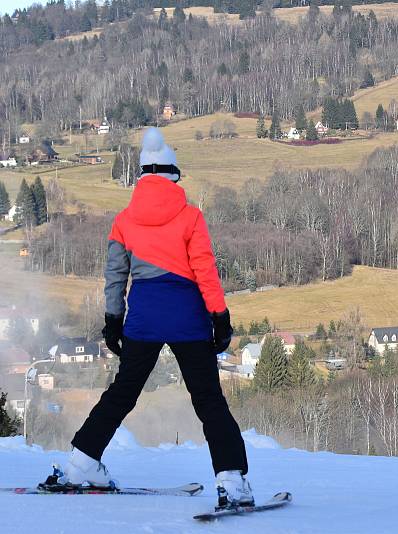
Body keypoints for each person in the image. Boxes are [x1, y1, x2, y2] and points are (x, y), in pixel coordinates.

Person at [59, 128, 253, 507]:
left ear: (142, 175)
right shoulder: (191, 216)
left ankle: (81, 463)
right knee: (209, 400)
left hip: (142, 321)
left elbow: (115, 276)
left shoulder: (124, 221)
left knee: (122, 394)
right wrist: (220, 316)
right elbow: (205, 270)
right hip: (188, 320)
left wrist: (113, 321)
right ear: (174, 175)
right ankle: (231, 481)